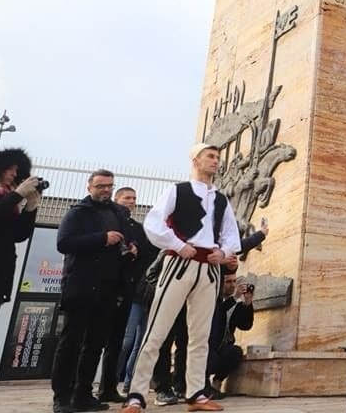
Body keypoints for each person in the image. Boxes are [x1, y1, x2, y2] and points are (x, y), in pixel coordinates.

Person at [121, 144, 241, 413]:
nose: (215, 161)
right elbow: (154, 223)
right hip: (179, 263)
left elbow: (231, 234)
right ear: (195, 159)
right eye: (210, 156)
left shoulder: (220, 198)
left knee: (201, 336)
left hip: (208, 268)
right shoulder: (178, 190)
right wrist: (176, 244)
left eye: (217, 158)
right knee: (156, 330)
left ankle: (196, 392)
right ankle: (137, 394)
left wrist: (223, 252)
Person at [51, 169, 135, 413]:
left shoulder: (118, 213)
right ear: (90, 187)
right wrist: (101, 238)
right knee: (71, 343)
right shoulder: (78, 213)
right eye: (101, 186)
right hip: (81, 286)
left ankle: (83, 395)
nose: (106, 190)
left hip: (108, 289)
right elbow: (64, 243)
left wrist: (131, 249)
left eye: (109, 186)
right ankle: (62, 397)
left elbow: (126, 241)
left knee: (95, 345)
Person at [97, 187, 160, 402]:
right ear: (117, 199)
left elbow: (150, 255)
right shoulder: (109, 223)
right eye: (127, 198)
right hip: (125, 292)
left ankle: (131, 383)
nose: (131, 201)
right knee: (124, 341)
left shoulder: (139, 229)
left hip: (144, 293)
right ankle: (109, 383)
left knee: (141, 343)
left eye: (134, 198)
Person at [0, 148, 41, 319]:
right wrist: (17, 194)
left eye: (17, 170)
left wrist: (30, 209)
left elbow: (19, 235)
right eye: (11, 169)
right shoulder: (10, 198)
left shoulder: (11, 200)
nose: (14, 174)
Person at [206, 269, 255, 398]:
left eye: (234, 281)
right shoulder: (212, 299)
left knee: (235, 352)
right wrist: (234, 298)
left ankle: (217, 383)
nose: (232, 285)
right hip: (208, 345)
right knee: (209, 357)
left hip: (223, 346)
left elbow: (245, 326)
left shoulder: (235, 304)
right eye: (228, 282)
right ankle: (202, 386)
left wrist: (248, 303)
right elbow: (220, 311)